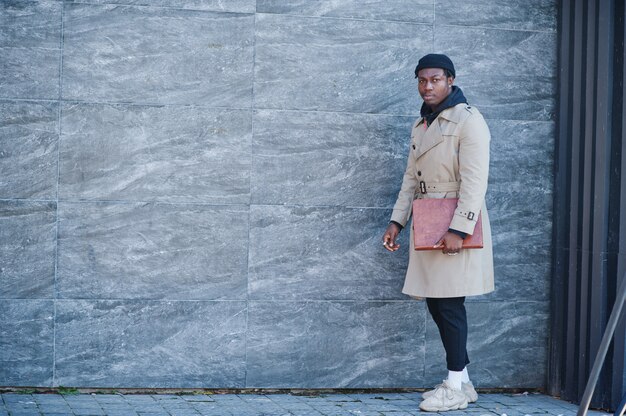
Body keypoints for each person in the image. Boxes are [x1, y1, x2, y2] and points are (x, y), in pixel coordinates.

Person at [382, 54, 494, 412]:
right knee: (437, 301)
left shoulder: (468, 120)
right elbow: (410, 179)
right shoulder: (423, 124)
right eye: (421, 80)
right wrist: (397, 221)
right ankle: (463, 381)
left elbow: (475, 182)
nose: (427, 86)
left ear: (450, 80)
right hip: (427, 218)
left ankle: (455, 385)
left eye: (434, 80)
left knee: (448, 304)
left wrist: (459, 229)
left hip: (453, 221)